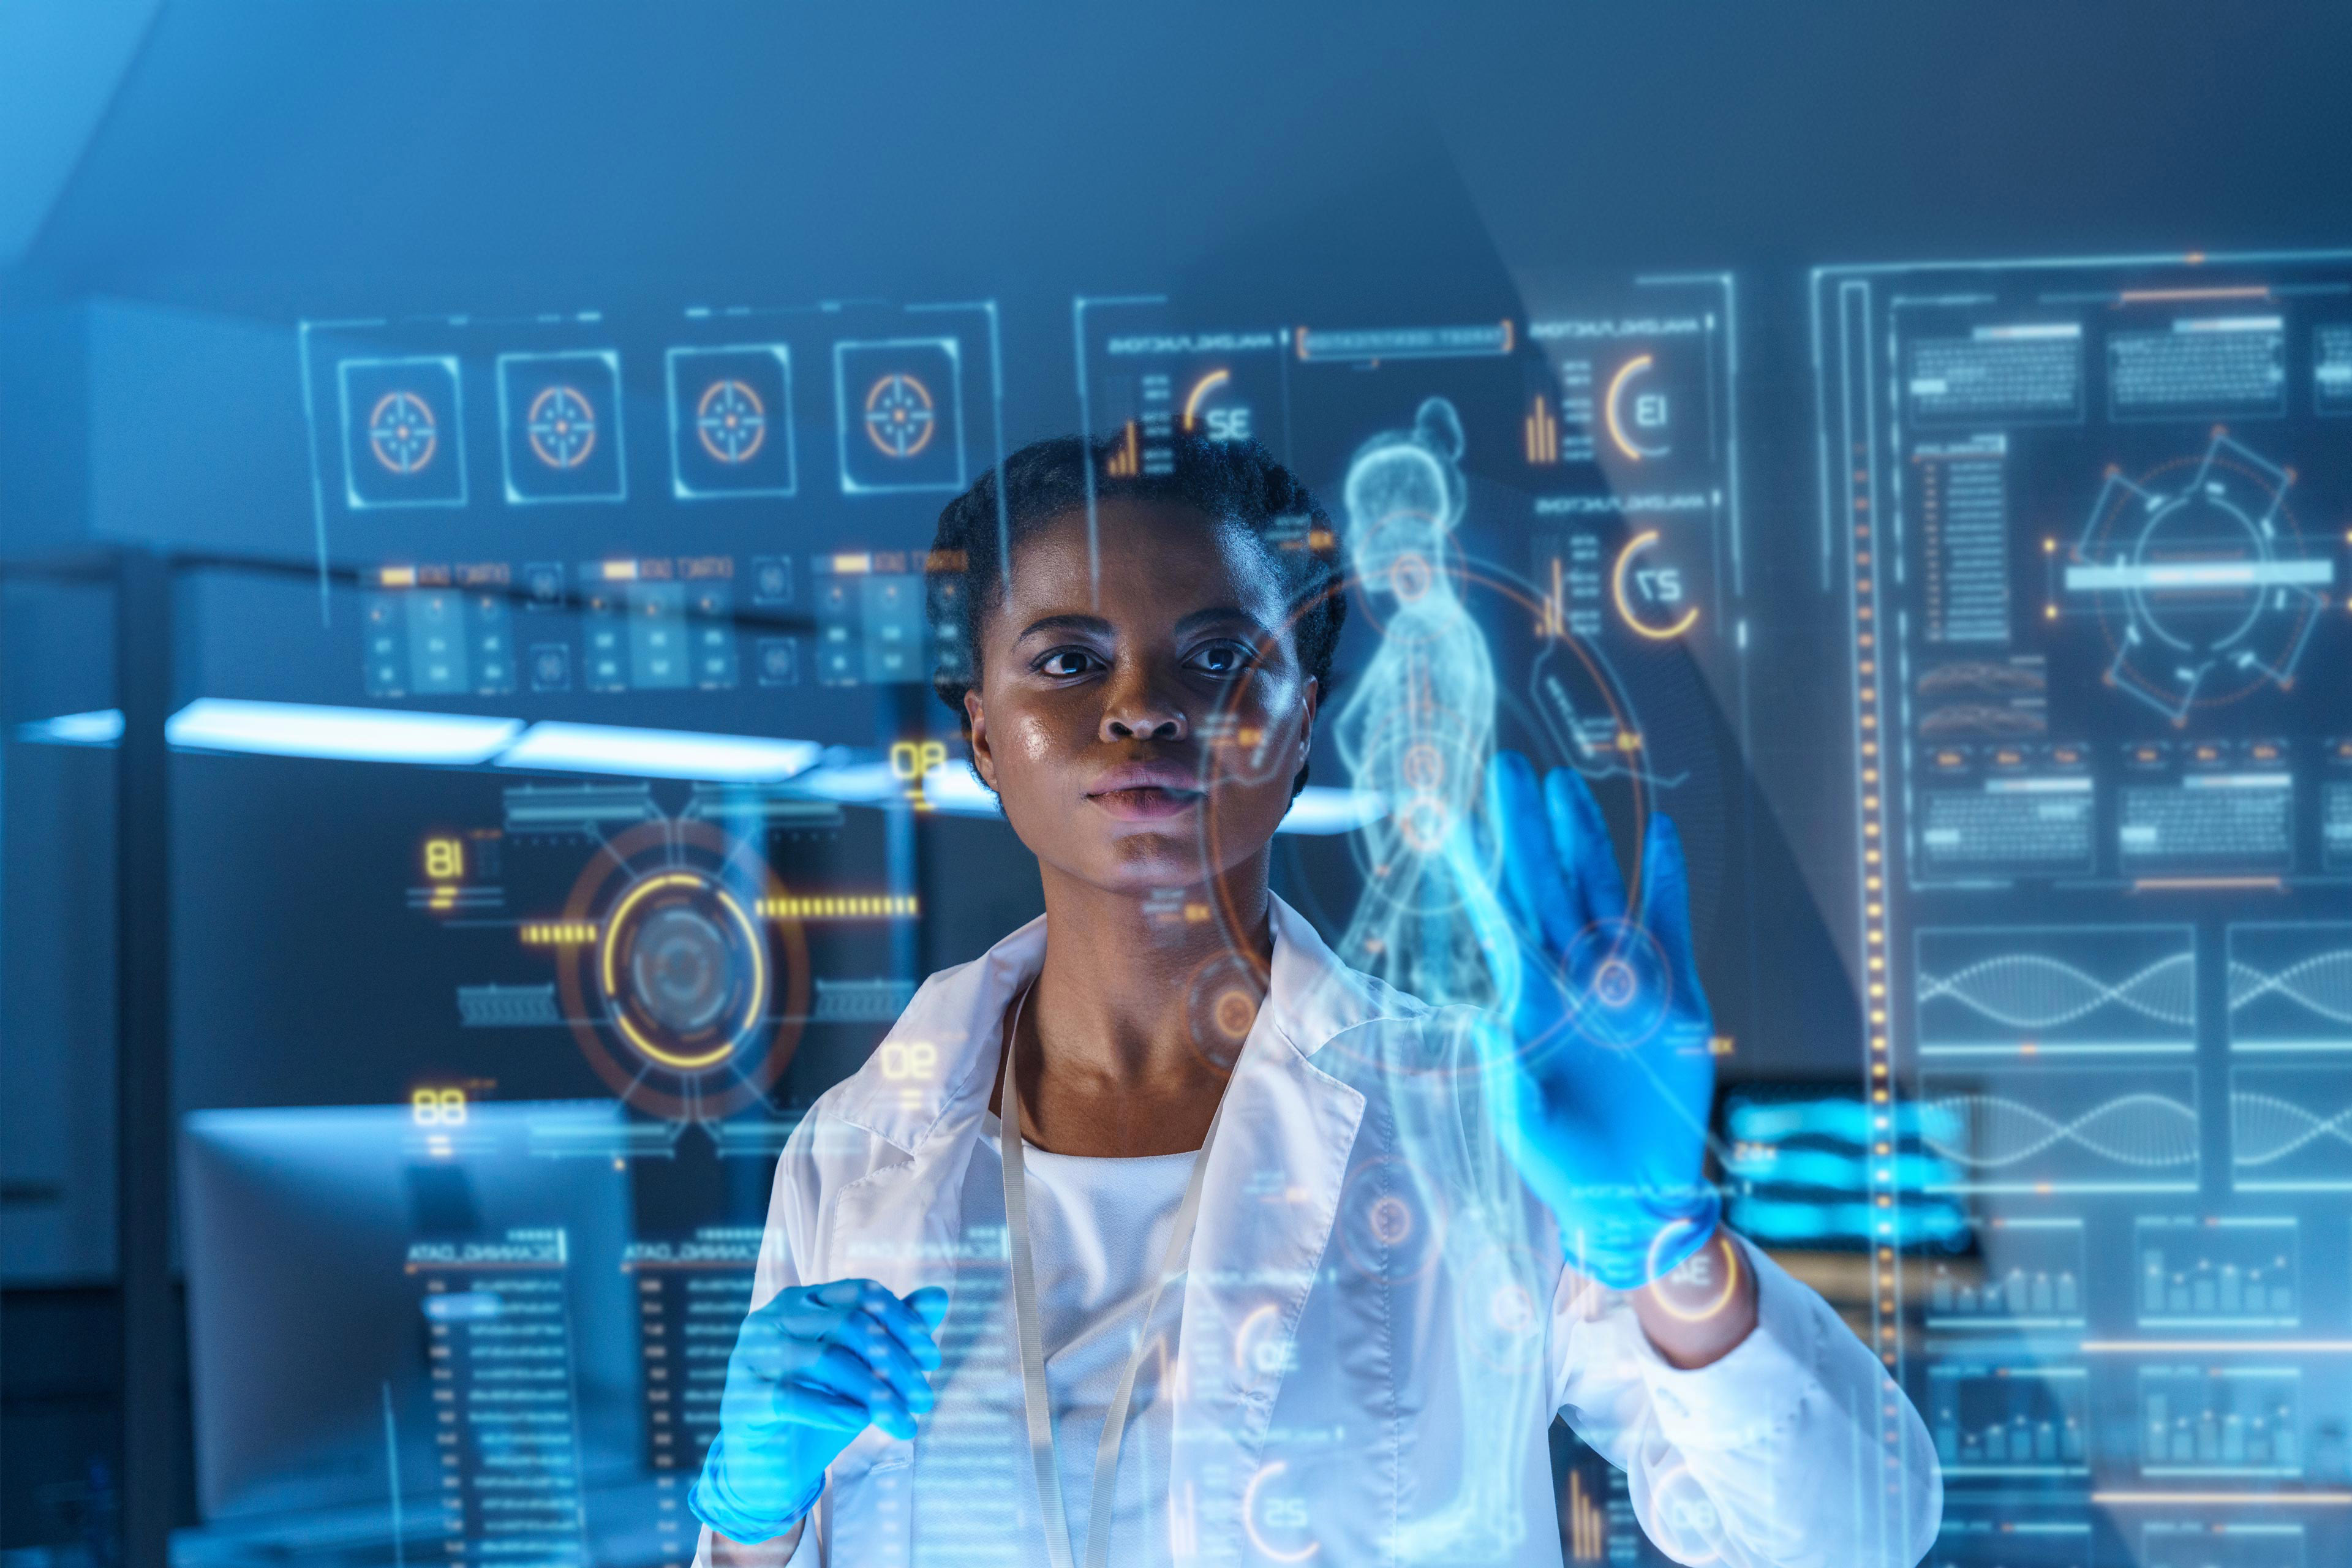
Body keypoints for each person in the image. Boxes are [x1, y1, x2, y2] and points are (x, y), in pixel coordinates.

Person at [688, 435, 1943, 1568]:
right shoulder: (859, 1150)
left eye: (1223, 656)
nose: (1141, 707)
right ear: (981, 734)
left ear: (1298, 733)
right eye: (1067, 659)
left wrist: (1676, 1253)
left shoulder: (1474, 1124)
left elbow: (1852, 1533)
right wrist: (750, 1528)